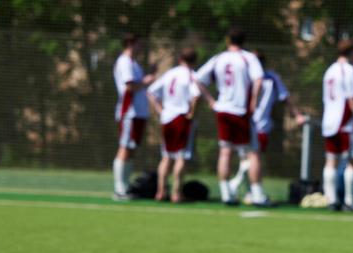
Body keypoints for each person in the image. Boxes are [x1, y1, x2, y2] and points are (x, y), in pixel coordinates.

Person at [195, 27, 266, 206]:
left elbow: (197, 78)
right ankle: (257, 194)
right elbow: (258, 80)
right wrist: (254, 102)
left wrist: (211, 101)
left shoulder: (219, 58)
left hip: (223, 110)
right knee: (252, 153)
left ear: (228, 40)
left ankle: (227, 193)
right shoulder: (248, 58)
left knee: (225, 152)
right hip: (240, 110)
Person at [228, 50, 305, 201]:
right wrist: (296, 115)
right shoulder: (261, 77)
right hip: (252, 123)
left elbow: (285, 97)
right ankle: (237, 187)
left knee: (247, 160)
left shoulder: (268, 78)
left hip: (255, 124)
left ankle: (248, 192)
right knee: (251, 160)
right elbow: (286, 98)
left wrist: (297, 114)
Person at [146, 48, 200, 203]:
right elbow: (196, 95)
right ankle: (177, 193)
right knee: (181, 157)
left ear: (179, 59)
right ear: (194, 61)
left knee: (166, 157)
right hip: (181, 118)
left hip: (167, 118)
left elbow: (150, 92)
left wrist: (160, 110)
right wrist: (192, 113)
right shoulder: (191, 76)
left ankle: (160, 192)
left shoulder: (170, 74)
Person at [112, 33, 156, 201]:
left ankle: (125, 184)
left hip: (138, 113)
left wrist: (149, 75)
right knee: (124, 148)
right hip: (129, 112)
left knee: (131, 149)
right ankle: (119, 188)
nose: (141, 48)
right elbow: (130, 86)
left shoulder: (134, 63)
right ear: (130, 44)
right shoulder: (124, 62)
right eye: (138, 44)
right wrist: (148, 80)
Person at [321, 40, 353, 210]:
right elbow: (352, 98)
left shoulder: (329, 70)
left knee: (331, 161)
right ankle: (349, 200)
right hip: (344, 121)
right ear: (352, 52)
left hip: (329, 120)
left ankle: (331, 199)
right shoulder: (349, 70)